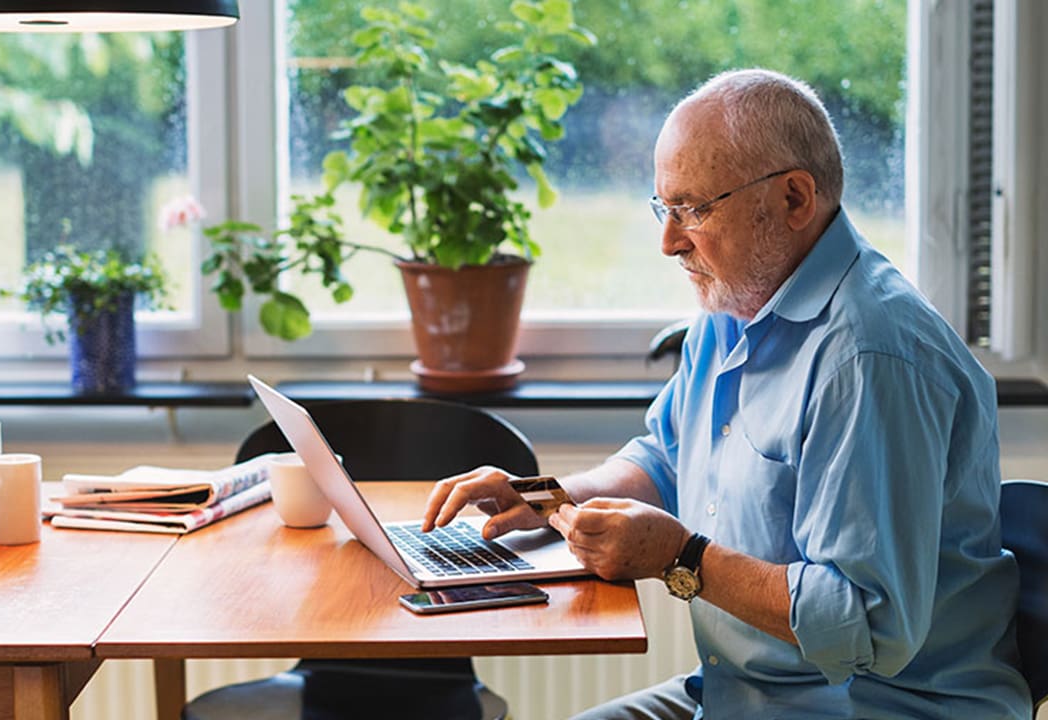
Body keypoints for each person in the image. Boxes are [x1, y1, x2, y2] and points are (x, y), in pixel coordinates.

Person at [420, 68, 1032, 719]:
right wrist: (546, 498)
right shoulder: (735, 304)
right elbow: (665, 456)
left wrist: (680, 557)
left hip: (877, 707)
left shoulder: (868, 357)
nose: (668, 241)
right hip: (740, 694)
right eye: (663, 208)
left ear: (794, 198)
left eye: (693, 209)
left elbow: (866, 623)